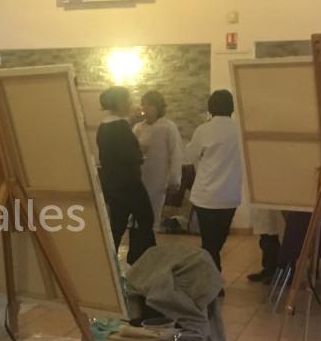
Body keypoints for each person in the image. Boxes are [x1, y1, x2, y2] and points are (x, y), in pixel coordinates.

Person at [185, 89, 243, 272]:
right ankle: (212, 279)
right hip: (230, 195)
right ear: (232, 107)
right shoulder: (241, 130)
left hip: (206, 194)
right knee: (217, 241)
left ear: (210, 107)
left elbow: (189, 156)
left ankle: (211, 280)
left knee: (209, 242)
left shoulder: (204, 130)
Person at [96, 86, 155, 265]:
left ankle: (107, 263)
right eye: (128, 100)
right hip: (128, 183)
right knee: (146, 218)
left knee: (117, 224)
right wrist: (141, 153)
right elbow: (131, 155)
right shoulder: (120, 127)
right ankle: (140, 260)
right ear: (120, 103)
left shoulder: (104, 126)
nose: (130, 104)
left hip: (111, 183)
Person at [133, 90, 183, 233]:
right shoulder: (138, 128)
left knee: (153, 216)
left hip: (159, 179)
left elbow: (176, 153)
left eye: (149, 105)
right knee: (139, 217)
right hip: (139, 178)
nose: (145, 109)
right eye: (143, 105)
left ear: (158, 107)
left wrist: (175, 179)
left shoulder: (168, 127)